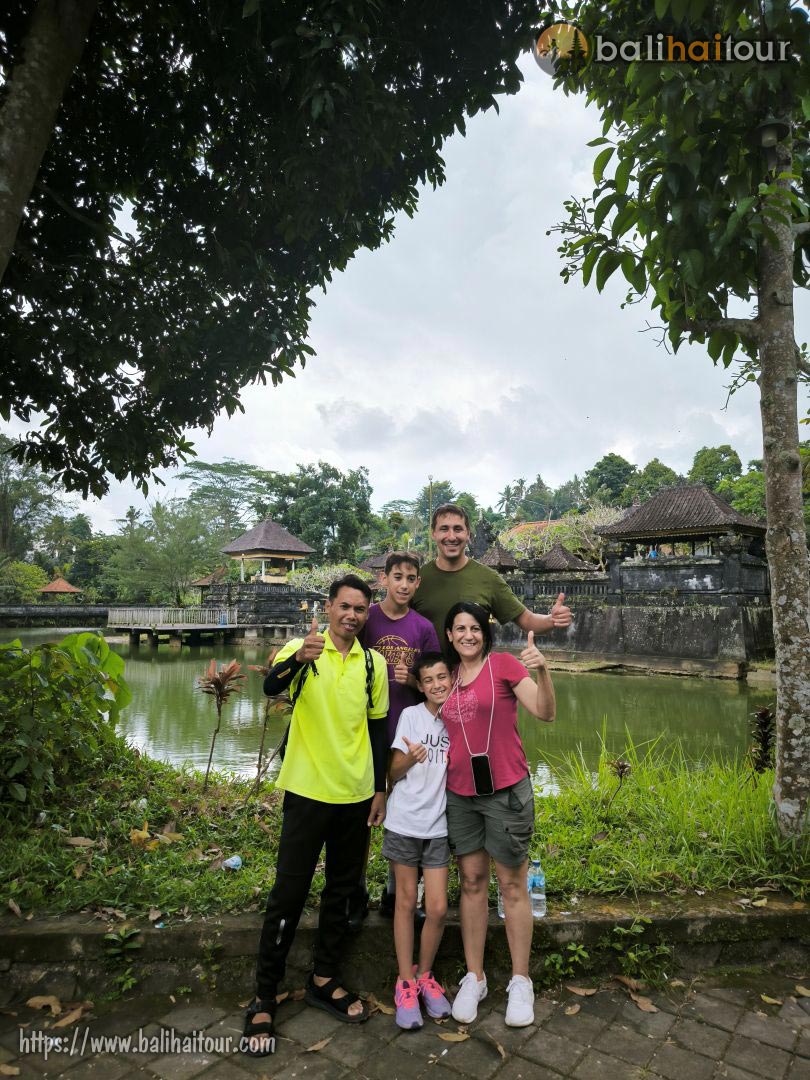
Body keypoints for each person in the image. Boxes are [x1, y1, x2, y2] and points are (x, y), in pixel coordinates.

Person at [243, 574, 389, 1057]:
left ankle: (324, 978)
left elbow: (377, 731)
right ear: (328, 608)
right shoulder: (301, 649)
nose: (351, 615)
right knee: (288, 892)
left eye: (360, 609)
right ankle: (265, 994)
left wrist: (380, 789)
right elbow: (270, 687)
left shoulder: (373, 665)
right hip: (306, 792)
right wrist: (298, 660)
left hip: (355, 796)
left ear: (366, 615)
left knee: (342, 892)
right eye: (344, 606)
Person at [442, 601, 555, 1029]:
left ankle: (521, 981)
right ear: (449, 635)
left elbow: (545, 712)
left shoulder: (504, 665)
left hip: (506, 793)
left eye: (474, 628)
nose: (468, 635)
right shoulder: (445, 677)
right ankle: (475, 977)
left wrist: (543, 671)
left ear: (484, 633)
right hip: (460, 795)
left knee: (511, 884)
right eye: (459, 629)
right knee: (471, 882)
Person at [359, 552, 441, 921]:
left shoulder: (423, 627)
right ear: (384, 579)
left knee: (406, 816)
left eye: (410, 578)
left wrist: (413, 680)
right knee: (363, 814)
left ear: (418, 583)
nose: (403, 584)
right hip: (367, 731)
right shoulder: (368, 619)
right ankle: (356, 890)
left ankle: (396, 894)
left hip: (409, 739)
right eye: (397, 577)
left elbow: (435, 682)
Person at [383, 652, 453, 1029]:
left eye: (442, 677)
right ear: (420, 686)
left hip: (438, 825)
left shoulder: (458, 718)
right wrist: (410, 758)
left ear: (451, 678)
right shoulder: (411, 716)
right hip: (405, 822)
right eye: (429, 680)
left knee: (438, 908)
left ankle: (425, 975)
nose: (437, 685)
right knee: (406, 903)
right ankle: (405, 983)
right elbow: (393, 772)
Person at [412, 503, 573, 649]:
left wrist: (552, 619)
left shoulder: (488, 578)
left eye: (458, 529)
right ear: (433, 533)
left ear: (468, 534)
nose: (452, 536)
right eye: (444, 529)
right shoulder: (417, 580)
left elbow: (527, 620)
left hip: (475, 672)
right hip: (427, 672)